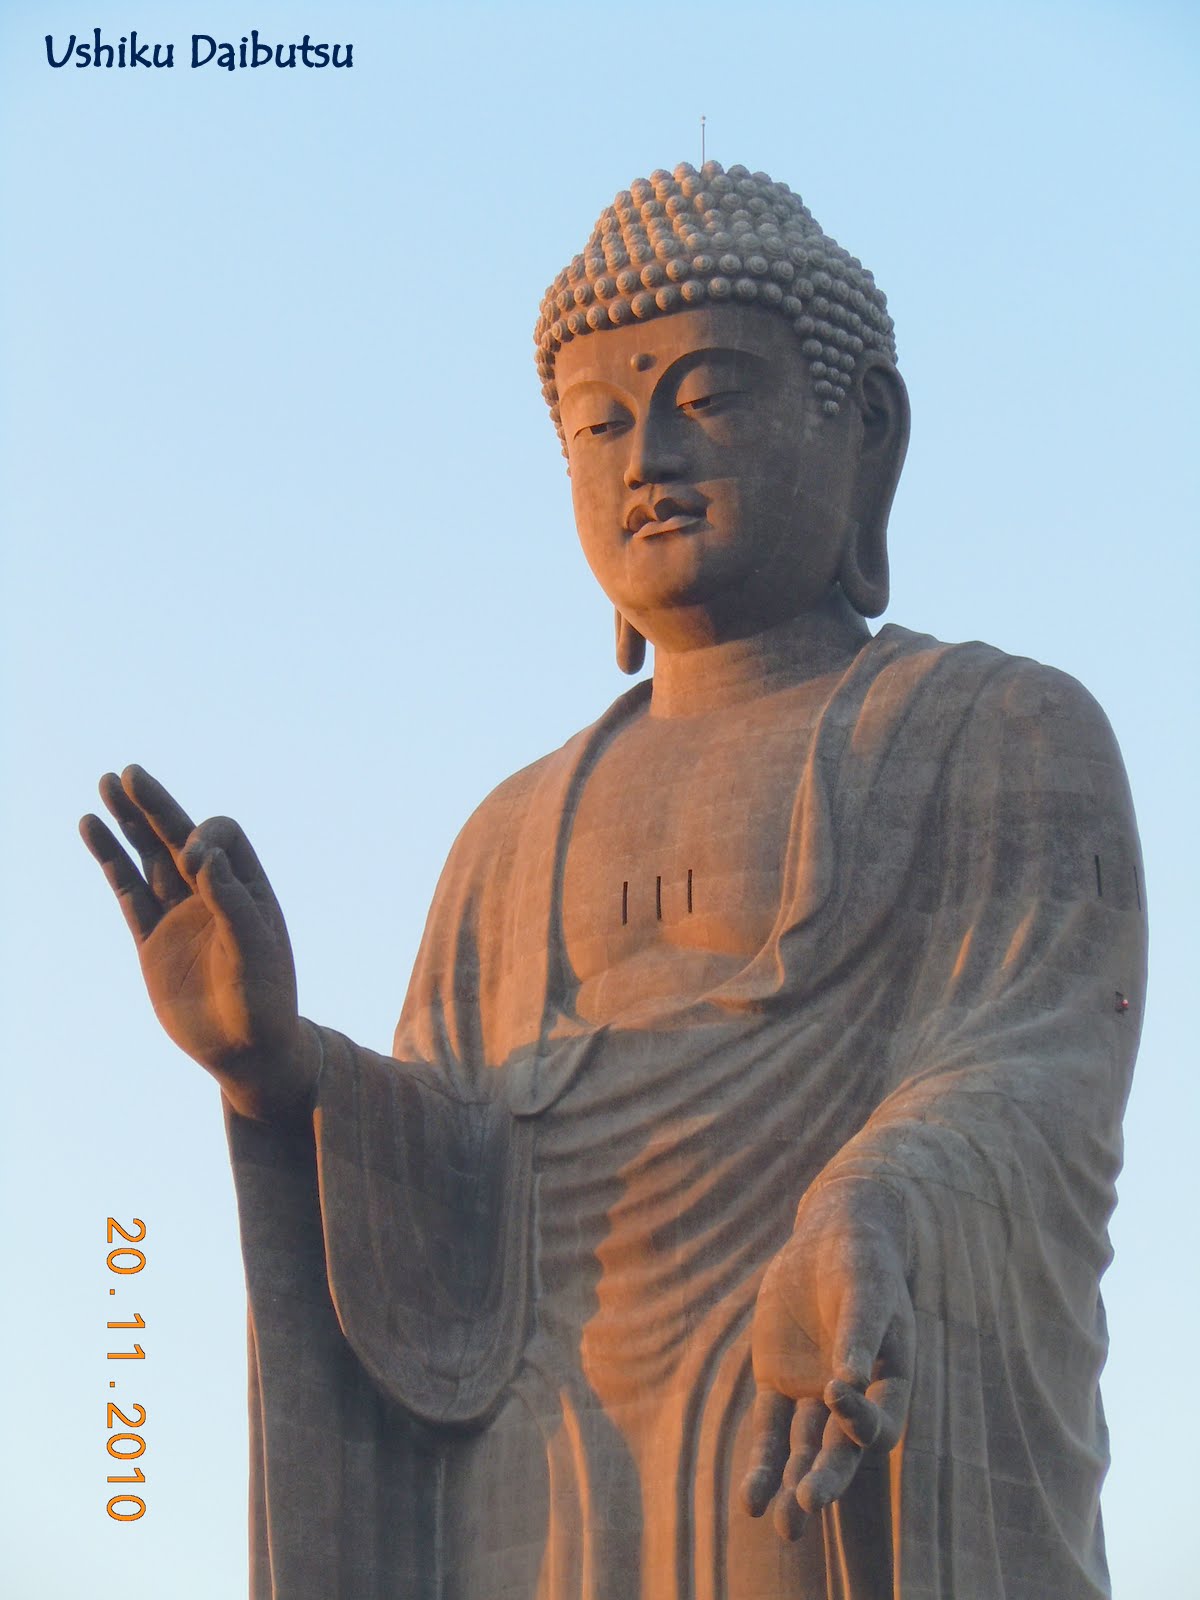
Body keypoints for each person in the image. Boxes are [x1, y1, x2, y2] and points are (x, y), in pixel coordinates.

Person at [81, 162, 1146, 1600]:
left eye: (705, 397)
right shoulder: (509, 838)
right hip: (546, 1468)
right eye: (597, 422)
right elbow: (452, 1186)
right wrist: (286, 1074)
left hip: (813, 1410)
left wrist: (869, 1205)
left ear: (869, 438)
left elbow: (1031, 1065)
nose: (645, 453)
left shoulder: (996, 732)